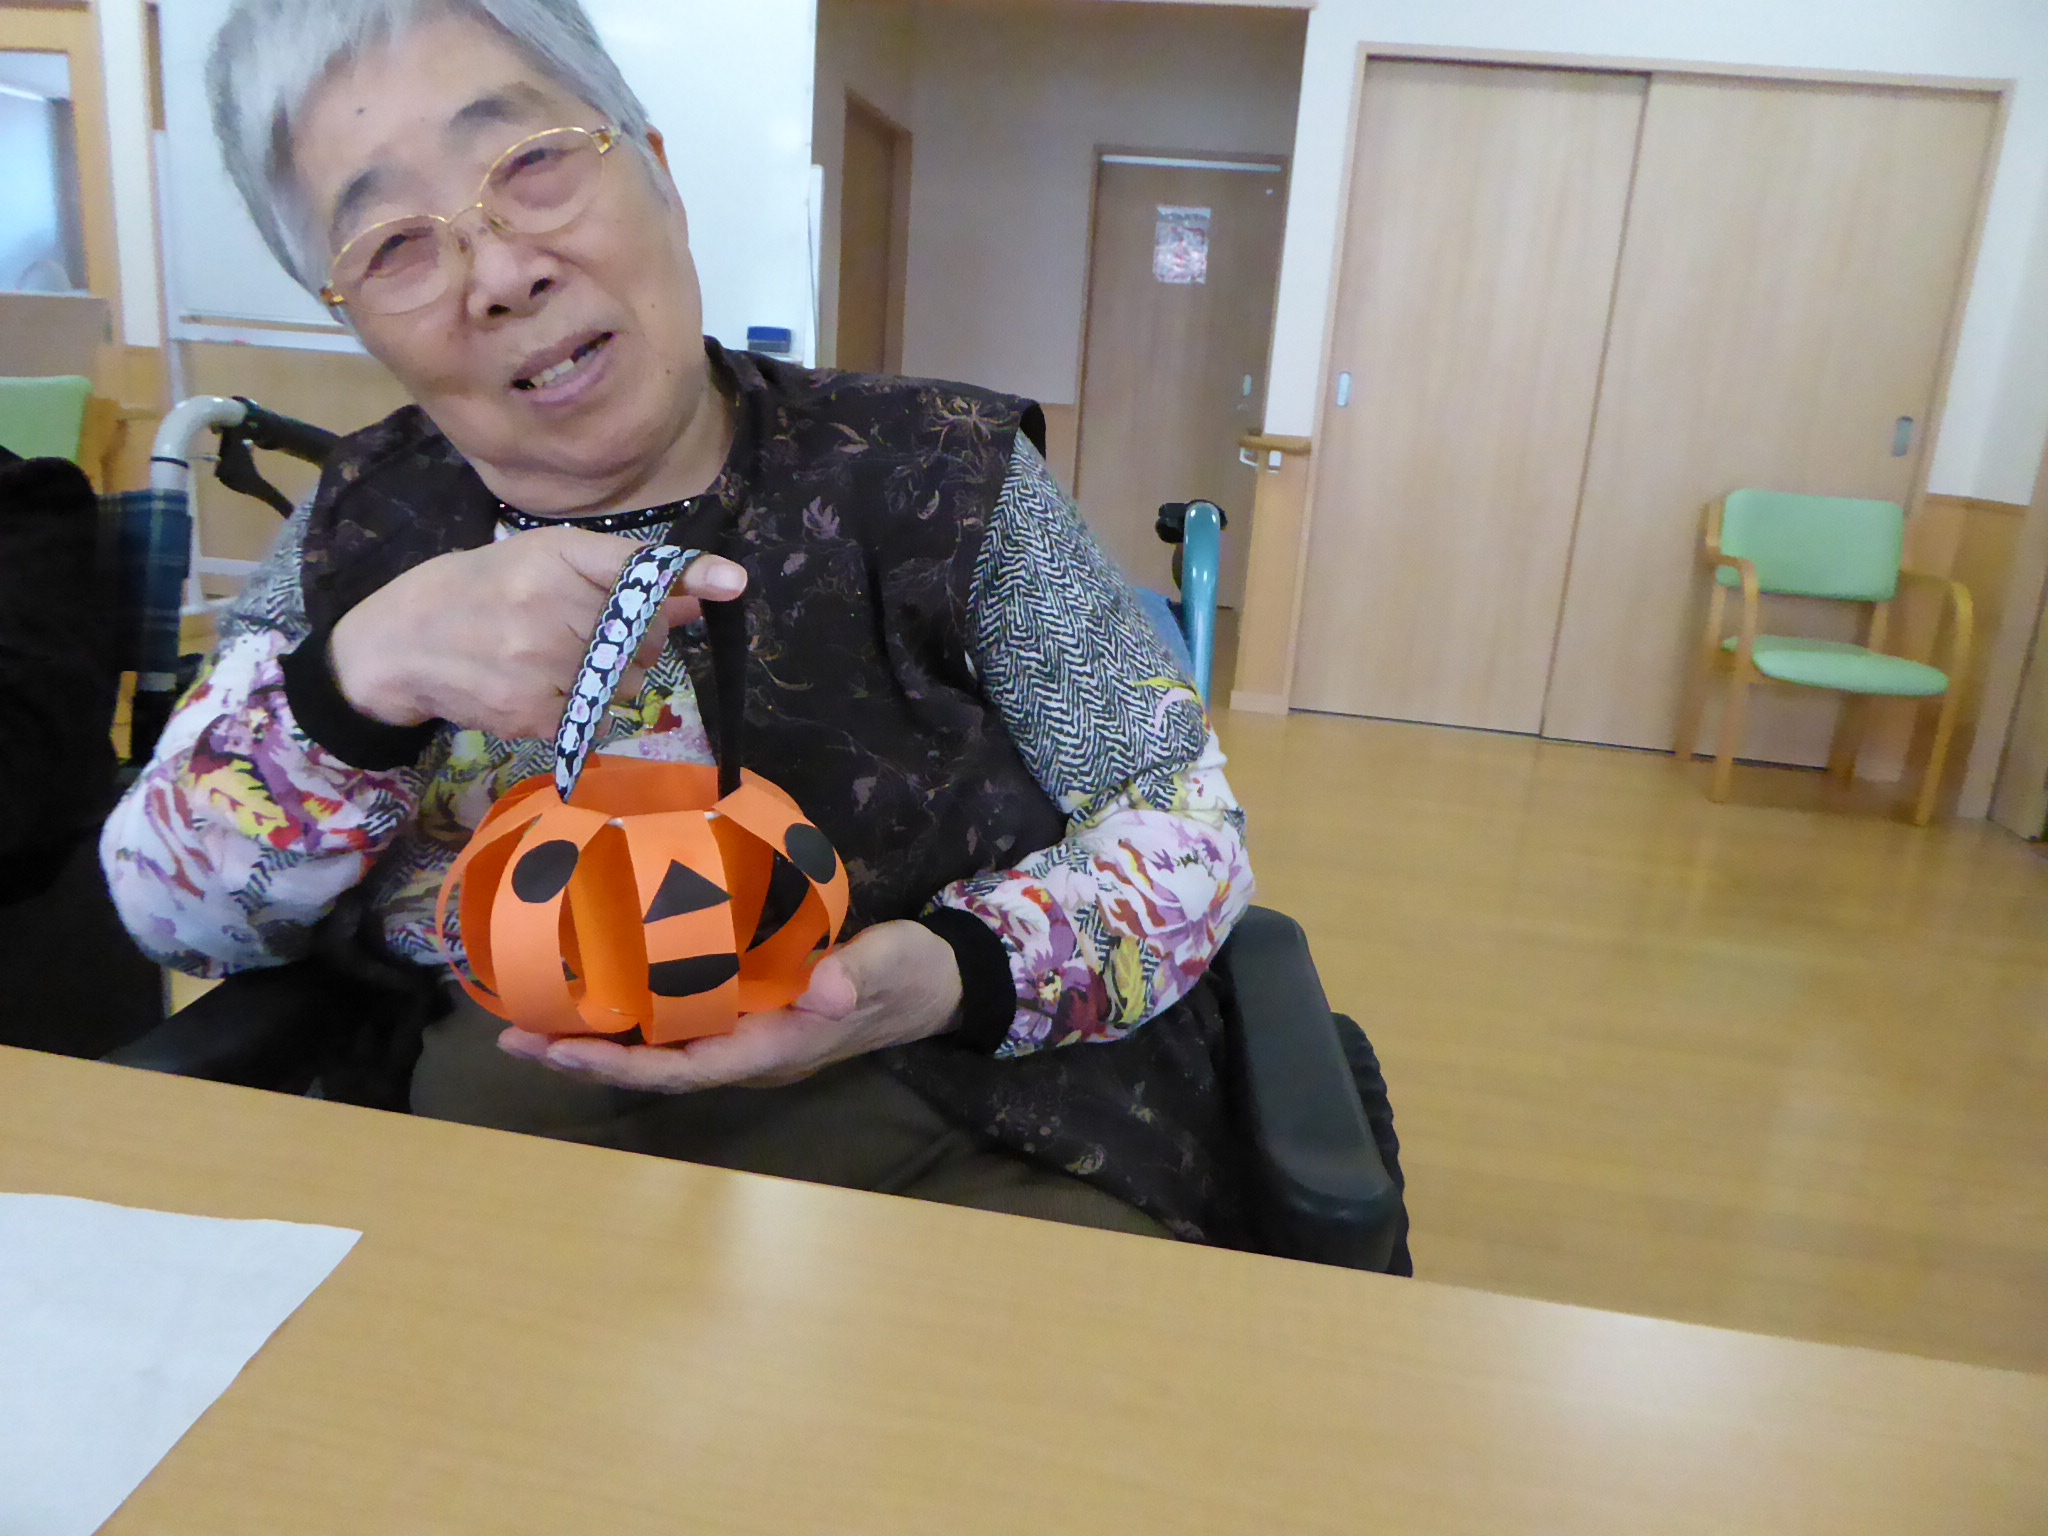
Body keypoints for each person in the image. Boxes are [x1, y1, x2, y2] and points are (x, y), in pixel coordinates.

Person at [105, 0, 1254, 1242]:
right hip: (489, 1174)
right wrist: (357, 684)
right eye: (394, 246)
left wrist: (946, 976)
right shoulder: (356, 528)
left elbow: (1183, 828)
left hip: (950, 1139)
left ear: (656, 171)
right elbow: (180, 918)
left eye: (531, 165)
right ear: (349, 318)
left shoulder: (940, 473)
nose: (502, 274)